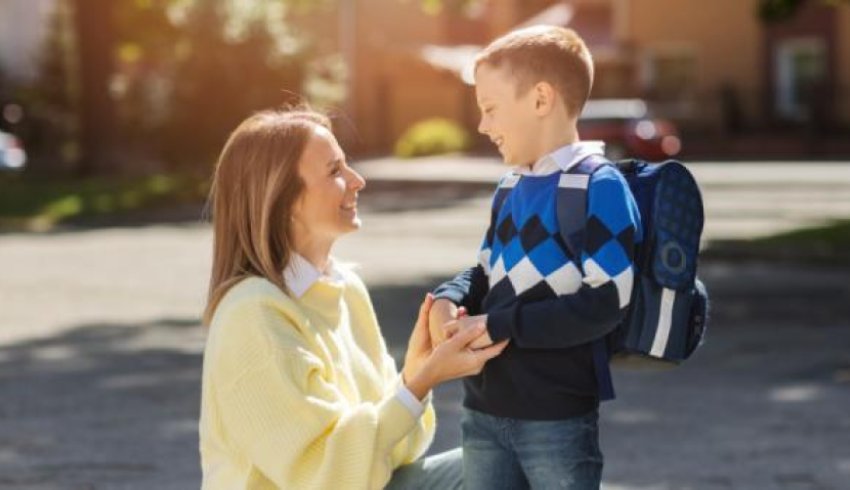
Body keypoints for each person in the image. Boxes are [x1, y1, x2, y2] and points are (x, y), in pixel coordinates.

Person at [198, 108, 508, 489]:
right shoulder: (253, 315)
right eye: (334, 171)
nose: (358, 180)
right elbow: (324, 479)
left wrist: (413, 374)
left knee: (514, 462)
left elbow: (396, 454)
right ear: (284, 200)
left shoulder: (344, 287)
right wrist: (420, 383)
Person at [428, 26, 643, 489]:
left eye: (490, 109)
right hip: (482, 410)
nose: (483, 126)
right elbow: (485, 272)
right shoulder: (509, 187)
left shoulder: (598, 187)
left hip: (555, 418)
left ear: (541, 100)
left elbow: (605, 302)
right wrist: (449, 295)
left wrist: (498, 325)